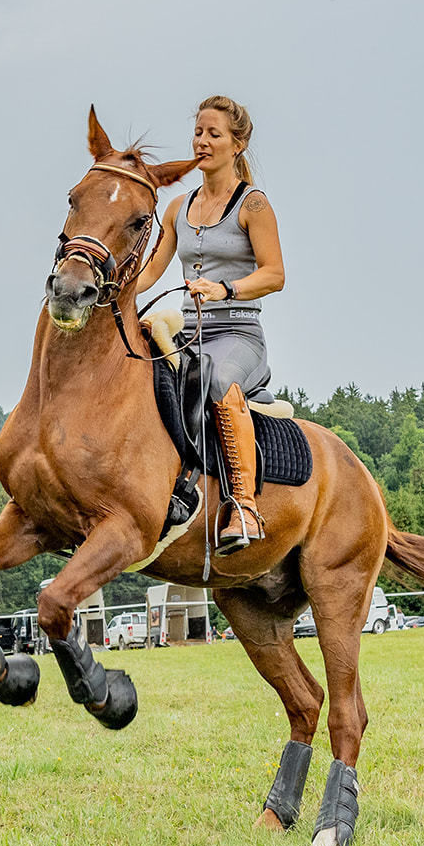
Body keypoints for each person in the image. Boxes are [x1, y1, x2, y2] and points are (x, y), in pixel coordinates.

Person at [136, 96, 286, 556]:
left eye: (214, 134)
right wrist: (112, 297)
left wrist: (226, 289)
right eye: (198, 132)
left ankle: (243, 506)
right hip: (187, 331)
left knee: (215, 379)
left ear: (237, 144)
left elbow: (275, 274)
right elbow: (151, 270)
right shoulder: (178, 206)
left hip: (238, 334)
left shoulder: (253, 205)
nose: (202, 141)